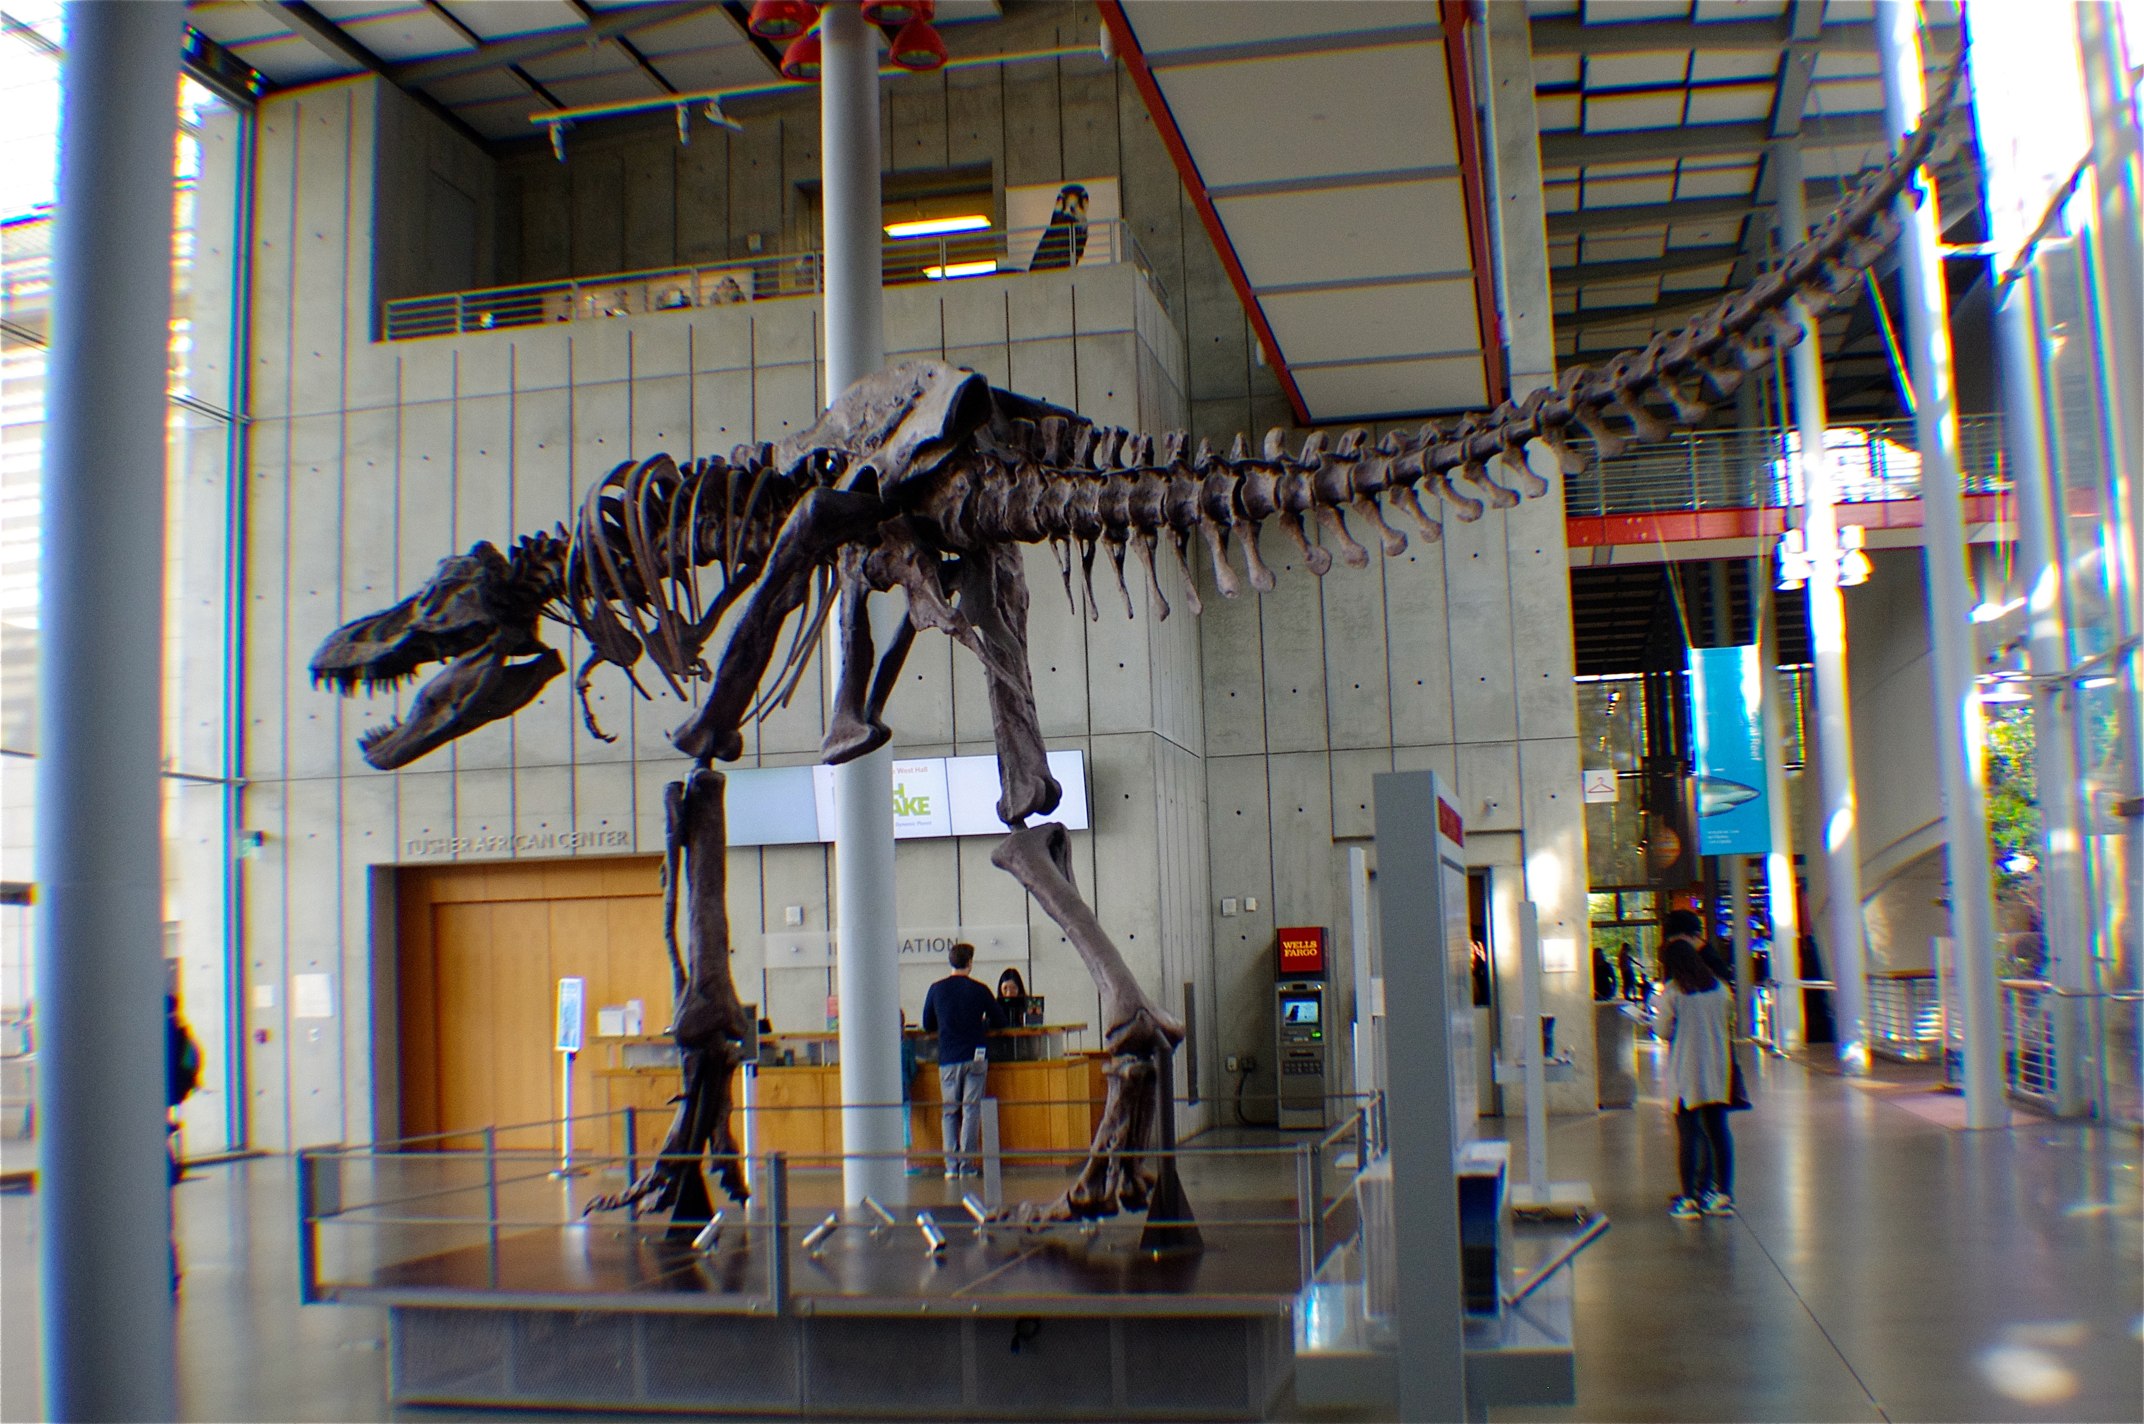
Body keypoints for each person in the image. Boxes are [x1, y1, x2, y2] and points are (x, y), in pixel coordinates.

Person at [1658, 937, 1735, 1219]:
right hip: (1716, 1068)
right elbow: (1729, 1020)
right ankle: (1723, 1193)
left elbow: (1664, 1030)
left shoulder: (1674, 992)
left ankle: (1689, 1198)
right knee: (1718, 1131)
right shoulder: (1720, 989)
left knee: (1688, 1135)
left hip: (1686, 1071)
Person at [921, 942, 1001, 1179]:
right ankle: (967, 1166)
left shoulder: (936, 989)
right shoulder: (979, 990)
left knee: (949, 1111)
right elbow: (1000, 1019)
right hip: (975, 1056)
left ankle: (951, 1166)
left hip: (948, 1057)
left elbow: (928, 1024)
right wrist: (982, 1024)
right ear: (970, 963)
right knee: (970, 1110)